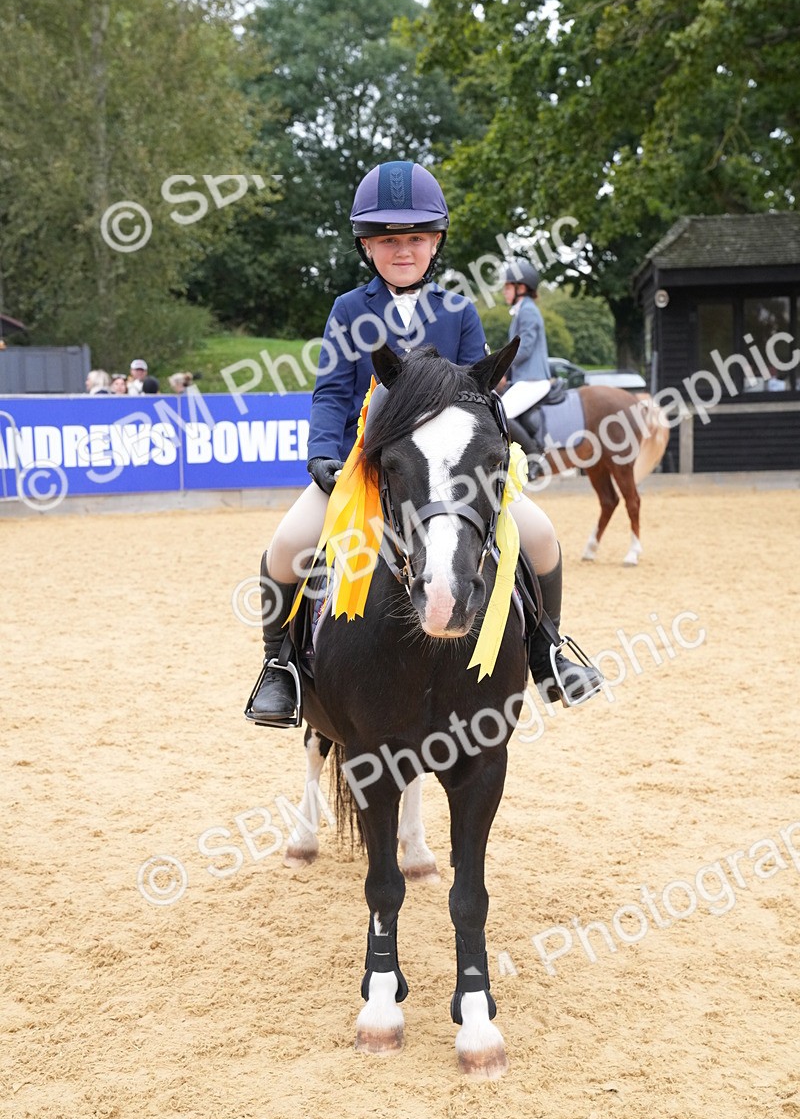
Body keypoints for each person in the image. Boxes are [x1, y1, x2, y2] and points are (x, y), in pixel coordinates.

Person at [245, 160, 602, 727]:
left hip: (451, 476)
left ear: (435, 243)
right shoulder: (348, 310)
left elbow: (481, 395)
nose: (403, 250)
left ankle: (547, 652)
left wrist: (498, 457)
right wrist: (323, 456)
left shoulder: (457, 312)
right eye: (388, 240)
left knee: (541, 536)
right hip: (363, 472)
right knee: (286, 546)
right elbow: (332, 393)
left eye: (415, 238)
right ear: (366, 246)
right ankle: (279, 668)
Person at [498, 259, 552, 476]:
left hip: (534, 379)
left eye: (507, 287)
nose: (504, 292)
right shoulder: (522, 310)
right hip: (524, 377)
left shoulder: (527, 311)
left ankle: (534, 457)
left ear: (521, 288)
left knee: (501, 413)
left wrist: (500, 367)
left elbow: (525, 349)